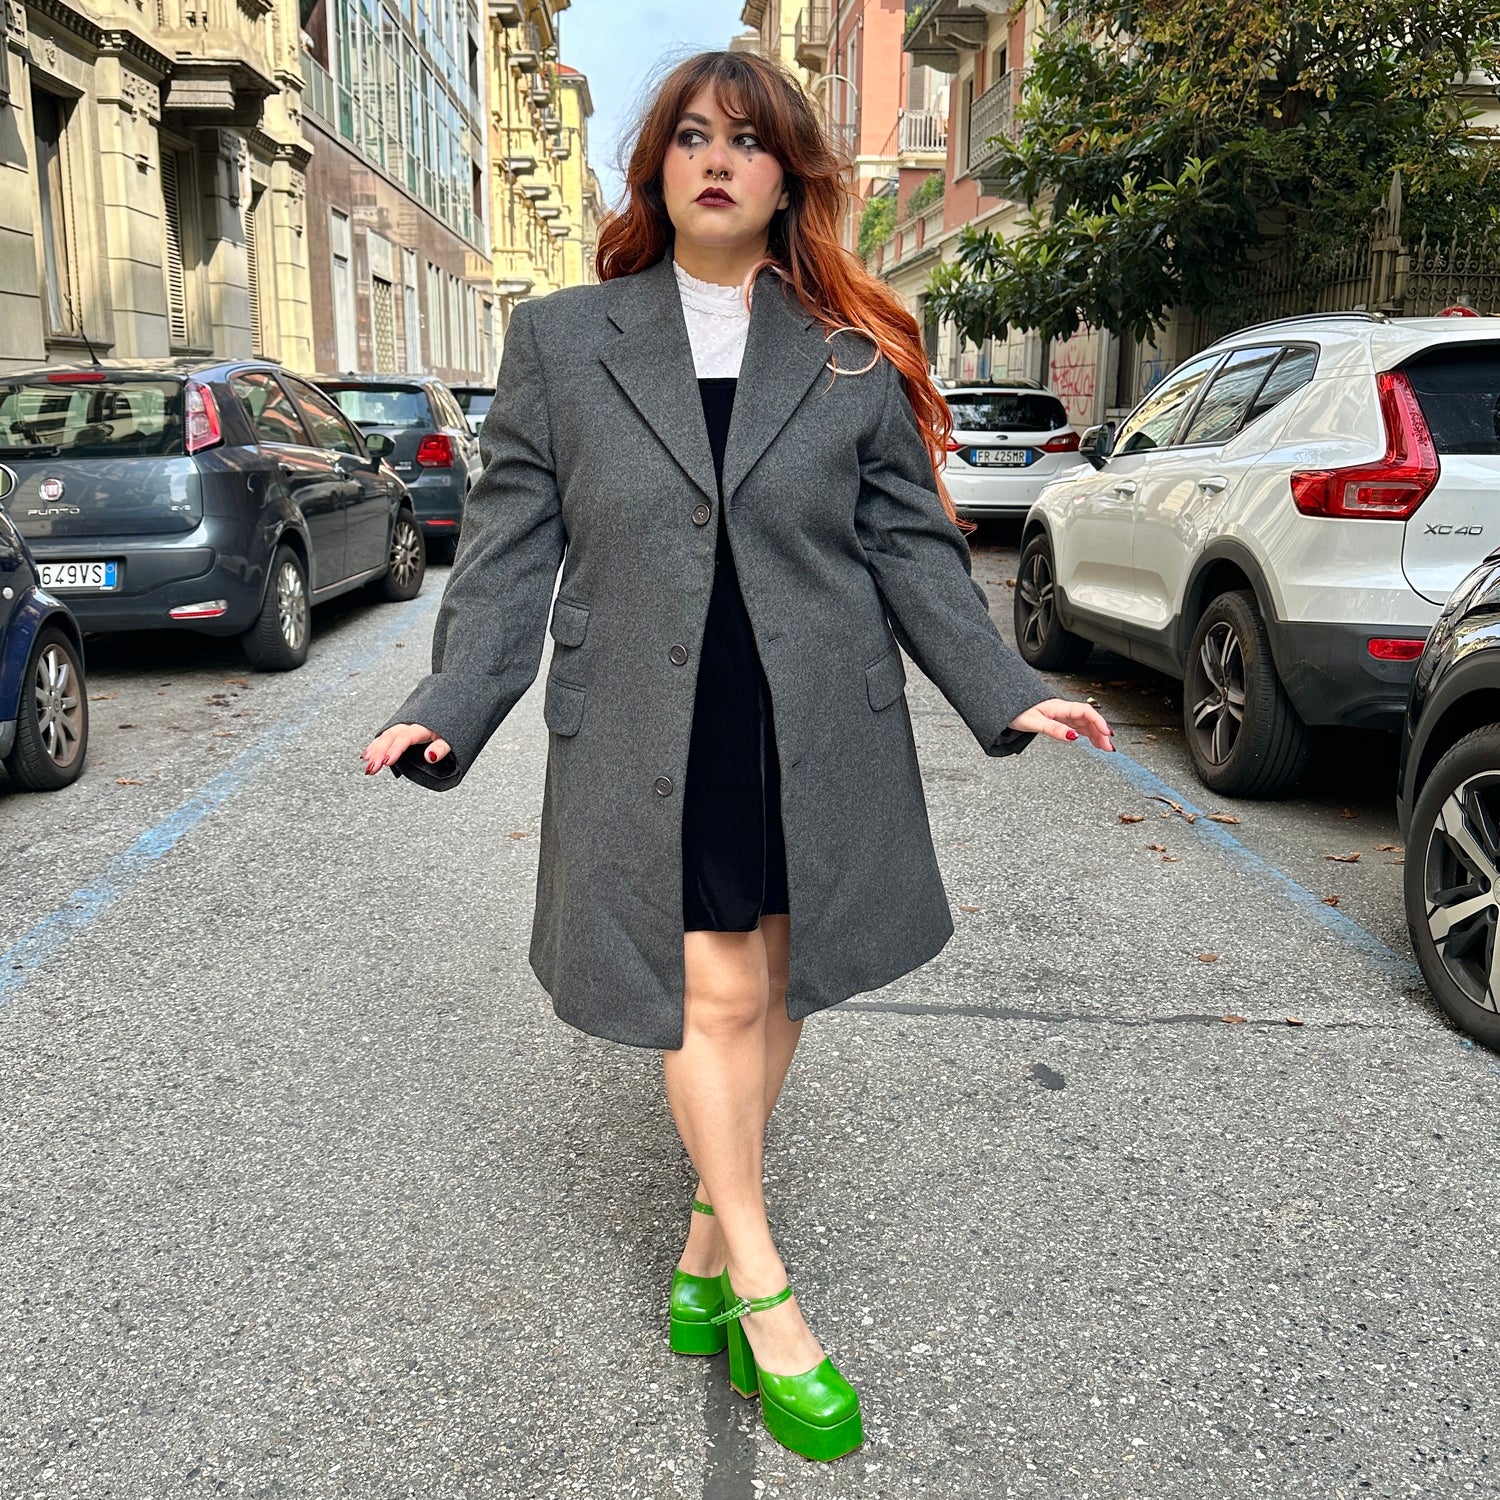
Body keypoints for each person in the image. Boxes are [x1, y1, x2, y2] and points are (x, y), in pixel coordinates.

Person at [361, 50, 1114, 1463]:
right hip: (654, 721)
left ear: (789, 178)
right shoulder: (563, 340)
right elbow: (511, 549)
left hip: (812, 716)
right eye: (693, 136)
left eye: (750, 141)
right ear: (657, 167)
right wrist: (451, 699)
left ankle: (706, 1246)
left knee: (780, 982)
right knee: (712, 992)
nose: (719, 160)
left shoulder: (848, 350)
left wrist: (1006, 691)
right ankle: (766, 1295)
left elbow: (911, 550)